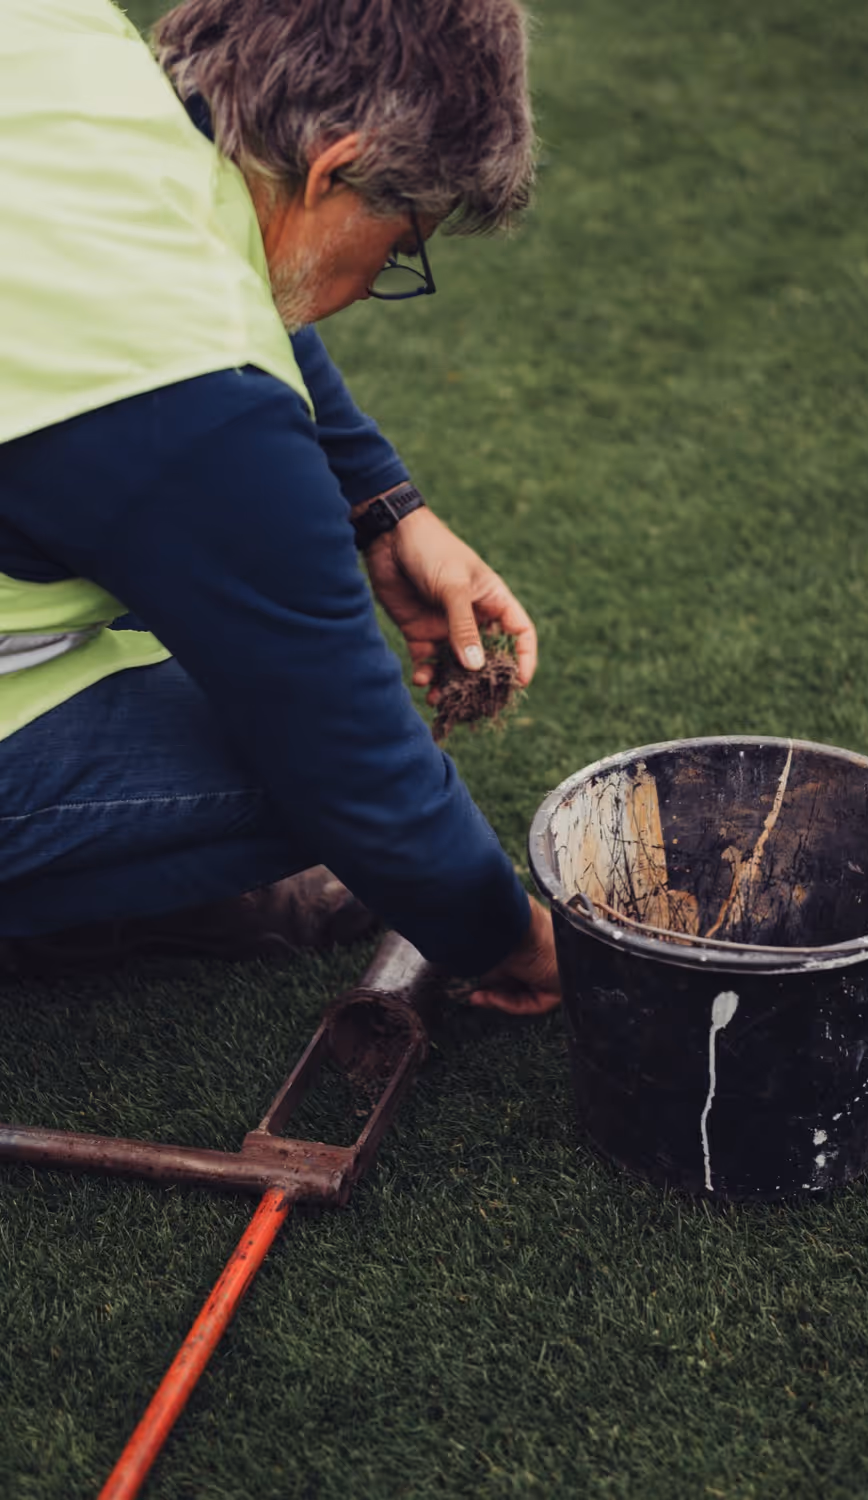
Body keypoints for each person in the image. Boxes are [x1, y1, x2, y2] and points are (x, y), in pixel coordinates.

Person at [0, 0, 560, 1014]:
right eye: (398, 250)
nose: (376, 279)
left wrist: (390, 508)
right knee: (302, 767)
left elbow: (203, 259)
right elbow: (357, 777)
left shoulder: (68, 37)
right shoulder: (192, 401)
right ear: (329, 169)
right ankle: (60, 907)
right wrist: (519, 947)